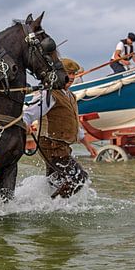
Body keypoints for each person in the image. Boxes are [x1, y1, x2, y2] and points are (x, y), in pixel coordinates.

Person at [23, 58, 92, 197]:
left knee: (55, 180)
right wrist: (25, 124)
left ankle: (42, 203)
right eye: (68, 73)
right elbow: (29, 113)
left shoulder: (71, 96)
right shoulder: (49, 94)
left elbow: (75, 124)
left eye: (73, 73)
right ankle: (53, 204)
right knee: (78, 178)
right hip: (50, 144)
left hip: (61, 146)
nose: (71, 77)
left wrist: (87, 145)